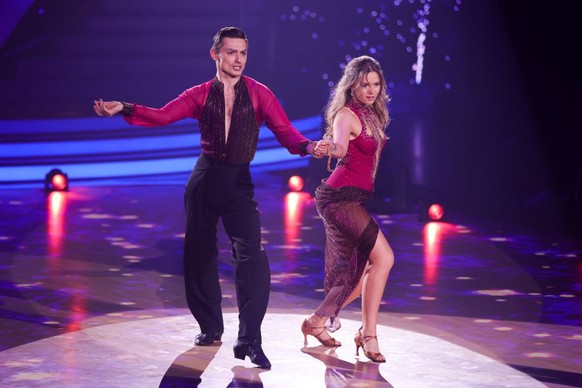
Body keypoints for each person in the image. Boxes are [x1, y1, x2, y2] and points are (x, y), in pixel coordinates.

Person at [94, 26, 328, 369]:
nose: (238, 60)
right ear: (215, 54)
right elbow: (162, 116)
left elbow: (285, 131)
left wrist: (309, 146)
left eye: (243, 53)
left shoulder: (261, 93)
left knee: (252, 257)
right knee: (199, 254)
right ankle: (209, 327)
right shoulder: (199, 94)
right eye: (231, 52)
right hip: (206, 179)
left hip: (239, 183)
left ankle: (249, 339)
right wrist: (124, 107)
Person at [301, 55, 395, 363]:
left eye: (376, 84)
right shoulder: (345, 114)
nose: (371, 90)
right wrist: (330, 147)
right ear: (351, 85)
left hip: (355, 198)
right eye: (364, 84)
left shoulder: (371, 114)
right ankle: (368, 334)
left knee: (362, 272)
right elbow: (341, 147)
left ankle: (315, 323)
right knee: (384, 258)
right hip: (339, 198)